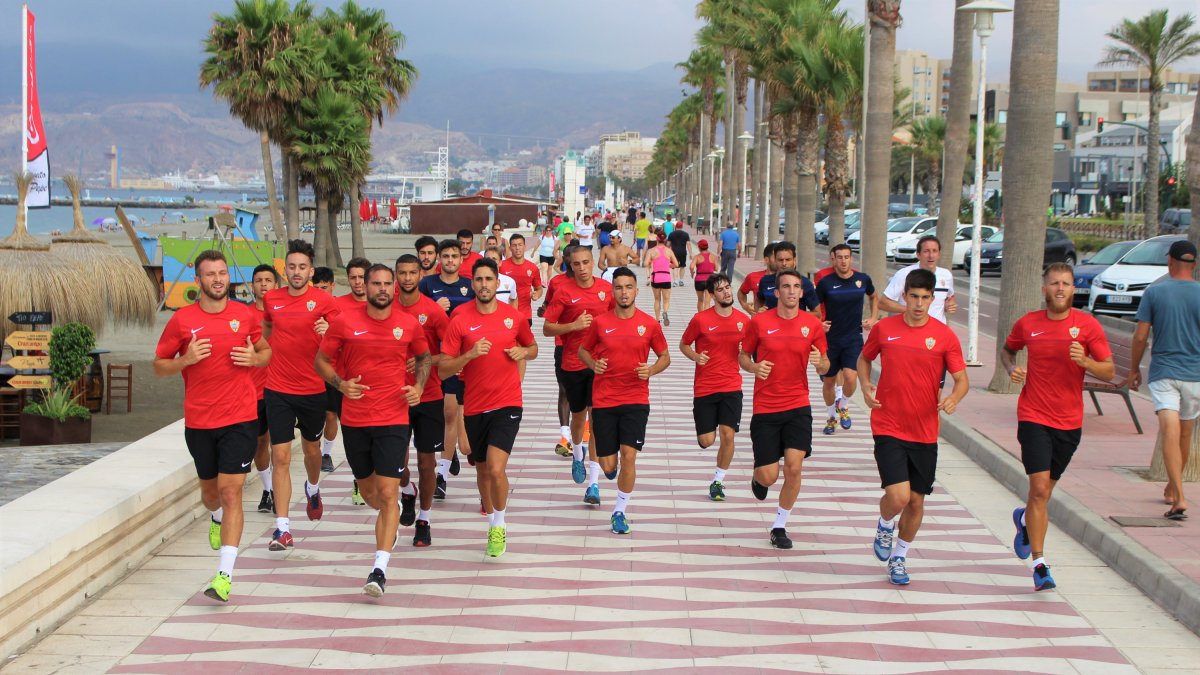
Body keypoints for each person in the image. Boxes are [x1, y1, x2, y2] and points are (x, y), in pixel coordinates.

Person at [154, 250, 271, 602]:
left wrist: (255, 358)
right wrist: (185, 360)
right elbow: (159, 364)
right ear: (198, 281)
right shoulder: (182, 321)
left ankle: (224, 575)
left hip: (241, 416)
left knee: (232, 490)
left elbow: (265, 350)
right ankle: (216, 518)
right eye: (210, 274)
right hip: (201, 420)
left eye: (222, 273)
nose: (218, 279)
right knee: (211, 495)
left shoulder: (244, 315)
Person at [315, 264, 430, 596]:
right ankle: (389, 519)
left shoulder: (407, 325)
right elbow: (321, 361)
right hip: (355, 420)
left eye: (386, 284)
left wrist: (419, 387)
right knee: (371, 495)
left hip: (394, 419)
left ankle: (379, 569)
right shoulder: (344, 323)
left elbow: (424, 358)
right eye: (375, 283)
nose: (381, 288)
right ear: (364, 287)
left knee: (389, 494)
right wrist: (340, 383)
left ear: (394, 288)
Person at [1001, 263, 1114, 591]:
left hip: (1069, 422)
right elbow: (1008, 351)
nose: (1060, 288)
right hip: (1034, 416)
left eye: (1066, 283)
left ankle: (1023, 520)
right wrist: (1012, 369)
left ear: (1073, 289)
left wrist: (1087, 362)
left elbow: (1108, 371)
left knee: (1044, 493)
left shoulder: (1087, 326)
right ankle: (1039, 565)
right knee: (1038, 490)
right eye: (1054, 283)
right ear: (1044, 289)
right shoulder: (1029, 324)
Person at [858, 268, 968, 586]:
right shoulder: (885, 329)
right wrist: (865, 386)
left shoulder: (944, 336)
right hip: (888, 424)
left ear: (932, 299)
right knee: (899, 497)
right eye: (913, 297)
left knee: (917, 501)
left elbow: (962, 380)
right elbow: (864, 359)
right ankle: (884, 521)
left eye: (924, 298)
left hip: (924, 430)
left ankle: (900, 557)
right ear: (904, 296)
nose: (918, 304)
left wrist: (953, 398)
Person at [440, 257, 538, 557]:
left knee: (496, 468)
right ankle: (489, 508)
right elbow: (444, 368)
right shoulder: (459, 317)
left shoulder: (513, 317)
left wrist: (523, 351)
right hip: (474, 404)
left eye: (489, 280)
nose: (484, 285)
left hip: (507, 401)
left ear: (498, 284)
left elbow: (532, 348)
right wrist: (468, 356)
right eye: (479, 280)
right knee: (482, 469)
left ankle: (499, 524)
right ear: (473, 284)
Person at [739, 269, 829, 549]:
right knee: (769, 475)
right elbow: (743, 355)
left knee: (794, 468)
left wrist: (819, 362)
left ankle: (779, 526)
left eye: (796, 287)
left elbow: (825, 364)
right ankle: (759, 476)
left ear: (802, 292)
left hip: (798, 405)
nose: (791, 291)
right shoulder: (759, 322)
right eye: (786, 287)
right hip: (766, 407)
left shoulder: (811, 325)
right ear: (776, 293)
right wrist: (754, 366)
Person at [262, 239, 340, 552]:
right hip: (277, 388)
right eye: (291, 266)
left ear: (310, 270)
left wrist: (327, 333)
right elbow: (266, 334)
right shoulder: (272, 298)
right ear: (285, 268)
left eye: (302, 267)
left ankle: (313, 487)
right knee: (279, 455)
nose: (296, 272)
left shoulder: (324, 302)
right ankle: (282, 528)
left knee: (311, 451)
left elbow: (341, 343)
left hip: (312, 389)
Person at [579, 267, 670, 533]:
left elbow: (665, 357)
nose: (624, 292)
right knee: (609, 465)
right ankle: (609, 470)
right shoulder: (600, 322)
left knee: (629, 456)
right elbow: (583, 350)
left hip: (636, 399)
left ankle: (619, 511)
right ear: (613, 291)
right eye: (619, 287)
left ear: (636, 290)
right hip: (605, 399)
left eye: (628, 287)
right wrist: (594, 364)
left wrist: (650, 370)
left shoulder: (648, 324)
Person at [1131, 240, 1200, 522]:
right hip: (1195, 375)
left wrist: (1133, 369)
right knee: (1184, 433)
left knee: (1169, 430)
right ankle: (1174, 487)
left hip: (1163, 372)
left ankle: (1179, 497)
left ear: (1170, 262)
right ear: (1193, 265)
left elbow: (1140, 336)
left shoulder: (1155, 292)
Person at [543, 246, 616, 504]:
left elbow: (620, 319)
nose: (582, 268)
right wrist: (573, 326)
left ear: (594, 262)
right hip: (573, 364)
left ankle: (593, 484)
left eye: (586, 262)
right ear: (570, 266)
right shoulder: (563, 293)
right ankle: (576, 454)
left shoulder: (607, 290)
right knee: (578, 417)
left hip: (600, 365)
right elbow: (547, 328)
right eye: (577, 264)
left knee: (597, 420)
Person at [394, 254, 450, 547]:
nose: (407, 278)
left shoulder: (432, 311)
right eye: (401, 273)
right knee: (397, 463)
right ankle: (407, 490)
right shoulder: (384, 307)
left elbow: (451, 351)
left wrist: (424, 361)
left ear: (420, 275)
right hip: (394, 398)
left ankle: (424, 519)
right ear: (395, 275)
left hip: (428, 395)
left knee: (427, 462)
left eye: (412, 273)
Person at [680, 273, 748, 502]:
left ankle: (718, 481)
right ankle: (703, 434)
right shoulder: (701, 320)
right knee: (708, 440)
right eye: (720, 289)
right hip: (705, 387)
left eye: (728, 287)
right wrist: (695, 356)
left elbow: (751, 351)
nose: (726, 292)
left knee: (728, 435)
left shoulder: (743, 321)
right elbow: (684, 344)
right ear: (712, 295)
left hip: (731, 385)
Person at [418, 240, 475, 499]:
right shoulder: (426, 286)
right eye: (446, 256)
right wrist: (432, 308)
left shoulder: (469, 287)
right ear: (439, 258)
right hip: (429, 360)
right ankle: (445, 453)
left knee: (450, 412)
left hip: (455, 360)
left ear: (461, 259)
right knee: (437, 416)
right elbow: (413, 317)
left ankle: (441, 474)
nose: (450, 260)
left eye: (454, 256)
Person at [815, 244, 877, 435]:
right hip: (831, 339)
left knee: (851, 378)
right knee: (829, 382)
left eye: (847, 257)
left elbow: (874, 297)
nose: (843, 261)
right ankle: (831, 417)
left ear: (852, 259)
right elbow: (815, 307)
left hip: (853, 338)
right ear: (833, 259)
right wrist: (819, 324)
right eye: (839, 257)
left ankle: (843, 404)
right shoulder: (826, 283)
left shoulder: (862, 279)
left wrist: (874, 318)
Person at [248, 264, 278, 514]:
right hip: (254, 390)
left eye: (268, 280)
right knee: (260, 441)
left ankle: (280, 486)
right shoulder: (245, 315)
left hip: (281, 388)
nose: (264, 284)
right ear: (252, 285)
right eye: (259, 280)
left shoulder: (284, 313)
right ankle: (268, 489)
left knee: (280, 445)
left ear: (276, 284)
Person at [880, 235, 957, 323]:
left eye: (934, 251)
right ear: (918, 254)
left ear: (939, 254)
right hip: (911, 329)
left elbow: (950, 297)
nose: (931, 256)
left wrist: (949, 305)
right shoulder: (904, 274)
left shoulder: (946, 275)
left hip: (937, 332)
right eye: (926, 251)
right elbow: (883, 303)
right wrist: (910, 310)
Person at [755, 241, 817, 313]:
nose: (784, 263)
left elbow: (817, 314)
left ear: (794, 260)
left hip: (795, 324)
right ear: (775, 260)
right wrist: (758, 312)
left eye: (788, 260)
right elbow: (758, 300)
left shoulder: (805, 283)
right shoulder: (765, 281)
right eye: (780, 260)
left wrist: (797, 316)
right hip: (770, 324)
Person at [499, 233, 545, 329]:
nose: (517, 248)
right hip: (504, 313)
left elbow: (539, 288)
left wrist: (536, 294)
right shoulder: (501, 266)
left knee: (523, 343)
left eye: (520, 245)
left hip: (525, 313)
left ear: (525, 247)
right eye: (514, 245)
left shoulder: (532, 268)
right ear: (510, 247)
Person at [646, 238, 678, 325]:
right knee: (666, 300)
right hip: (666, 277)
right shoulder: (669, 251)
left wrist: (651, 262)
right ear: (665, 240)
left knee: (657, 300)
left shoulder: (651, 251)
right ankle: (665, 311)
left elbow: (645, 263)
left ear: (657, 239)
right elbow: (676, 264)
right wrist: (669, 265)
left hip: (656, 277)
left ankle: (657, 319)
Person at [738, 243, 775, 314]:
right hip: (759, 321)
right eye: (776, 257)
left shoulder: (789, 280)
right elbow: (741, 292)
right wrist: (745, 306)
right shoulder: (753, 277)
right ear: (766, 260)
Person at [689, 239, 718, 313]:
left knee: (700, 300)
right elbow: (716, 268)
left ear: (699, 247)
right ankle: (706, 317)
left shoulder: (697, 257)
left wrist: (692, 273)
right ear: (707, 247)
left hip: (699, 280)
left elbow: (691, 267)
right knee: (707, 301)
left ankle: (700, 316)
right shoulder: (713, 257)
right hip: (710, 280)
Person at [667, 222, 691, 287]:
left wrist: (666, 251)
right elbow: (688, 244)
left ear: (675, 226)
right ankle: (681, 280)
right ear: (682, 227)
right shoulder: (686, 234)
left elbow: (668, 244)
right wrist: (690, 253)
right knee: (682, 266)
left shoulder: (671, 234)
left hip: (674, 253)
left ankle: (675, 281)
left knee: (675, 267)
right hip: (683, 252)